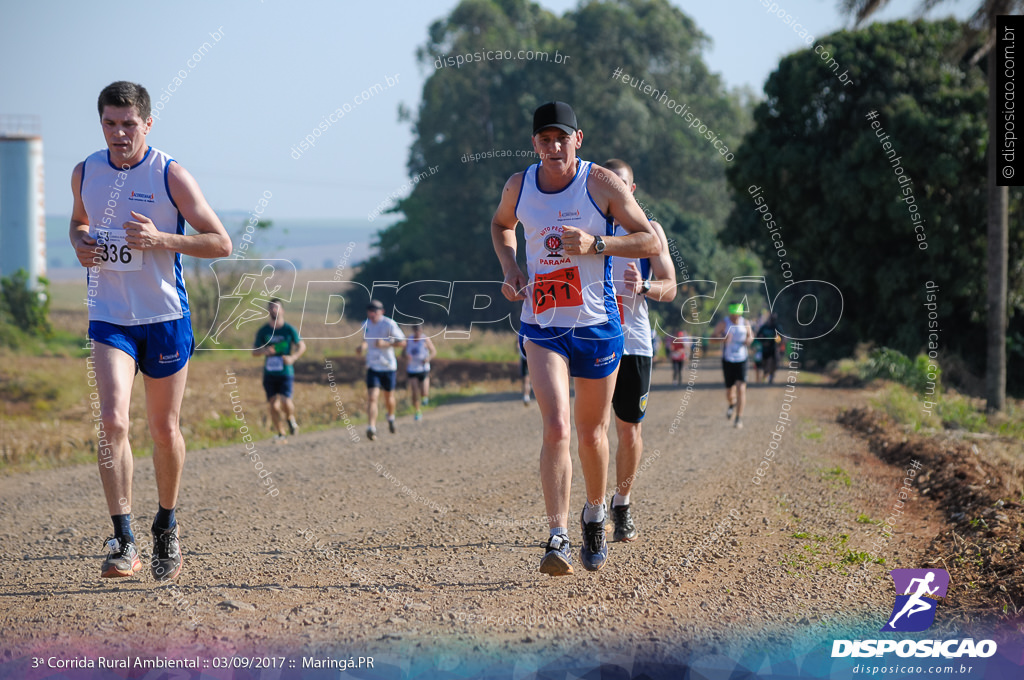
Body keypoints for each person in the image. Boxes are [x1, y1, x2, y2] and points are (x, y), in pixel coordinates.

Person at [70, 81, 232, 580]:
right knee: (114, 423)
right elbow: (78, 223)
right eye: (110, 123)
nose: (119, 133)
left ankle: (166, 522)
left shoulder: (170, 174)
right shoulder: (84, 172)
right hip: (110, 318)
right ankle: (124, 540)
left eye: (128, 124)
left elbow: (221, 242)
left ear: (147, 123)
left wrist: (161, 238)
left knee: (164, 430)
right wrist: (80, 243)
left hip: (164, 319)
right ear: (101, 123)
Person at [491, 101, 660, 575]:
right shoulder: (519, 186)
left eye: (561, 138)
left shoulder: (600, 184)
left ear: (577, 139)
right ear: (534, 144)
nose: (553, 147)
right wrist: (510, 268)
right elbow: (501, 225)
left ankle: (594, 514)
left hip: (597, 325)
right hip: (542, 324)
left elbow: (648, 241)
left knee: (591, 434)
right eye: (544, 139)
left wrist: (597, 244)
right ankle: (557, 536)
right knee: (558, 428)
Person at [604, 158, 677, 543]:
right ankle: (594, 511)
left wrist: (644, 287)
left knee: (629, 431)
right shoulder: (586, 227)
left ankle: (623, 502)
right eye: (608, 183)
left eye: (622, 185)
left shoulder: (651, 231)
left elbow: (671, 286)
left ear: (631, 191)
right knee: (592, 430)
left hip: (634, 342)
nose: (615, 190)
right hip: (593, 338)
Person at [252, 298, 306, 440]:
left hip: (285, 372)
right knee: (273, 405)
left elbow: (302, 346)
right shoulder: (264, 331)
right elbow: (254, 351)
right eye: (271, 308)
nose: (274, 310)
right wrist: (265, 351)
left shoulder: (289, 330)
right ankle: (281, 432)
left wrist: (293, 358)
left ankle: (290, 419)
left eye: (276, 307)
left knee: (285, 401)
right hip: (270, 373)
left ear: (282, 310)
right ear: (268, 311)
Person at [356, 300, 406, 440]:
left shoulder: (389, 324)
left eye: (375, 312)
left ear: (381, 312)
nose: (372, 315)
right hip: (372, 365)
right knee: (372, 397)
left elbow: (402, 342)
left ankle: (390, 417)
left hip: (388, 366)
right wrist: (362, 346)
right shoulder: (365, 324)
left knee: (388, 397)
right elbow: (366, 340)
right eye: (369, 312)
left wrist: (385, 343)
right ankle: (371, 427)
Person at [713, 302, 754, 429]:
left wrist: (749, 340)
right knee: (729, 393)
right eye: (734, 314)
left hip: (742, 359)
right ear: (730, 313)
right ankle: (732, 404)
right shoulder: (724, 323)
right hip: (728, 359)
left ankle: (738, 418)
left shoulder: (745, 323)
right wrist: (723, 339)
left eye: (738, 314)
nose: (736, 317)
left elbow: (751, 336)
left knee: (741, 388)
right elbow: (712, 338)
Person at [403, 324, 436, 420]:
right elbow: (403, 353)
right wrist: (406, 356)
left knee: (424, 391)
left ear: (421, 330)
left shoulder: (425, 339)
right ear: (413, 330)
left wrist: (428, 358)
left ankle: (424, 397)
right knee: (414, 391)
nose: (417, 332)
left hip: (423, 368)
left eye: (419, 330)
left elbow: (434, 351)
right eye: (416, 330)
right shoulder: (409, 340)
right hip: (412, 369)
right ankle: (417, 411)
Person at [755, 313, 782, 384]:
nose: (772, 321)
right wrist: (762, 341)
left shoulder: (777, 327)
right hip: (765, 349)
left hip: (774, 349)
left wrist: (778, 340)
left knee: (774, 364)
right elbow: (758, 336)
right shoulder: (764, 327)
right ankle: (765, 375)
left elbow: (781, 337)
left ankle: (771, 377)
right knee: (765, 364)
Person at [518, 338, 533, 406]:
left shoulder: (520, 333)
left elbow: (517, 346)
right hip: (531, 357)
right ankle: (527, 395)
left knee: (526, 379)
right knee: (528, 379)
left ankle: (526, 396)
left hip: (525, 358)